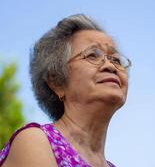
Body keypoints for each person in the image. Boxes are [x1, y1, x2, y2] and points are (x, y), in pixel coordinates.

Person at [0, 14, 131, 167]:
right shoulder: (36, 141)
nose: (110, 66)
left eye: (116, 59)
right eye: (92, 55)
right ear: (56, 82)